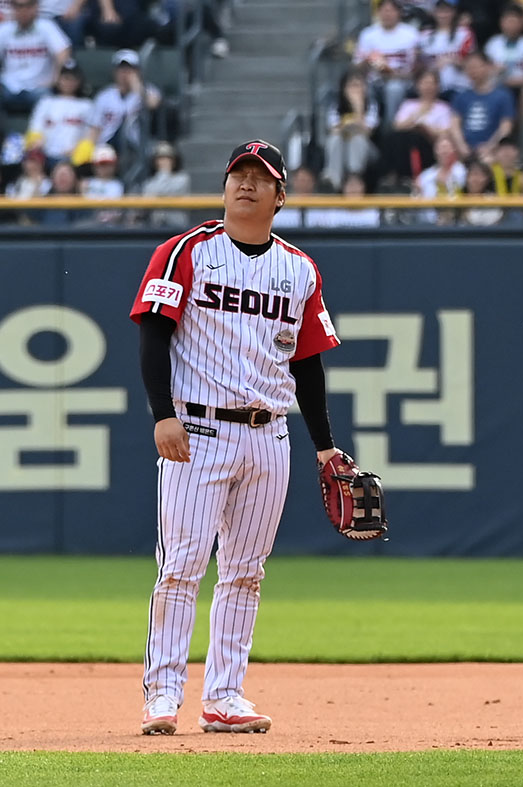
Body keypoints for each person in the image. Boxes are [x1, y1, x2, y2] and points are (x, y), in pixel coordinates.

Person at [132, 139, 343, 737]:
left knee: (246, 571)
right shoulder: (185, 252)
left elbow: (307, 365)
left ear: (281, 195)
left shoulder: (299, 269)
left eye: (261, 176)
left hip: (269, 434)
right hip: (196, 430)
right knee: (181, 567)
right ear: (224, 186)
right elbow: (153, 335)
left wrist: (324, 445)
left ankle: (224, 696)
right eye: (238, 173)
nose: (246, 183)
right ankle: (163, 695)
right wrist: (161, 413)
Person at [380, 68, 455, 181]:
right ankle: (394, 176)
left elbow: (445, 133)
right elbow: (397, 126)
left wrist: (426, 128)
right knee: (396, 137)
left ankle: (408, 176)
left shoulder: (443, 108)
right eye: (425, 83)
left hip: (430, 145)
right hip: (406, 144)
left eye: (431, 83)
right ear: (418, 85)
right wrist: (418, 114)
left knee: (415, 138)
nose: (428, 87)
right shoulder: (408, 104)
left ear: (437, 86)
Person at [355, 0, 422, 123]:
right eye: (384, 11)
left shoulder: (411, 34)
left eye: (391, 11)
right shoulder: (368, 34)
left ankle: (392, 127)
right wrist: (368, 60)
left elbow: (417, 67)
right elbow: (357, 66)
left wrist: (396, 74)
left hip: (402, 80)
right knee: (362, 88)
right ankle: (368, 125)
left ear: (399, 13)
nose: (387, 14)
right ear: (378, 13)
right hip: (374, 78)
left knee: (393, 89)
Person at [0, 0, 71, 114]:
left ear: (36, 7)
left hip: (39, 88)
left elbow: (63, 53)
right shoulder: (5, 29)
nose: (23, 10)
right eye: (19, 7)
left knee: (47, 100)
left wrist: (55, 80)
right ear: (13, 8)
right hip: (9, 86)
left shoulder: (47, 26)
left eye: (28, 6)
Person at [88, 48, 163, 153]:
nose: (125, 73)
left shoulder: (148, 90)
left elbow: (153, 104)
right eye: (122, 69)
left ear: (138, 71)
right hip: (106, 148)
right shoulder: (104, 95)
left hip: (136, 147)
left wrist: (137, 86)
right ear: (115, 71)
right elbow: (95, 128)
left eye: (130, 69)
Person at [24, 57, 90, 168]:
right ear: (58, 79)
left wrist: (77, 151)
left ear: (79, 81)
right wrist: (37, 144)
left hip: (72, 159)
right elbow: (35, 128)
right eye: (66, 78)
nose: (69, 82)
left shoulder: (86, 105)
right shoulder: (45, 102)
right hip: (45, 157)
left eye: (73, 79)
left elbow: (89, 134)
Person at [450, 51, 516, 160]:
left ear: (488, 67)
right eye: (468, 68)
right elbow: (454, 126)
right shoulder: (460, 96)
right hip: (464, 150)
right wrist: (462, 147)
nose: (472, 71)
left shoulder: (503, 96)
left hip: (493, 151)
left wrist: (489, 147)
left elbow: (506, 127)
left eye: (476, 67)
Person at [323, 67, 380, 191]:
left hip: (367, 149)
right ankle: (334, 180)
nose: (355, 90)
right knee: (335, 140)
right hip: (343, 145)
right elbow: (333, 130)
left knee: (358, 138)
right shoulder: (336, 106)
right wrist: (346, 126)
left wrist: (357, 106)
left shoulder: (371, 105)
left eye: (359, 86)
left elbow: (368, 131)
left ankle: (355, 176)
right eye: (352, 86)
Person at [484, 3, 523, 101]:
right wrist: (494, 70)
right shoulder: (493, 43)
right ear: (501, 22)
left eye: (514, 21)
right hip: (496, 87)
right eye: (508, 21)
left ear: (522, 22)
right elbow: (484, 68)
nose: (511, 25)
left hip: (522, 87)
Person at [420, 0, 474, 100]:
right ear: (434, 12)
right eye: (440, 11)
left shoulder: (464, 33)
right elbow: (420, 64)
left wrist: (452, 61)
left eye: (447, 11)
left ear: (454, 12)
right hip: (431, 90)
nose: (443, 15)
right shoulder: (424, 35)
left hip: (459, 87)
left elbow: (471, 63)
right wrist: (434, 66)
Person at [140, 139, 191, 228]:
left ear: (174, 160)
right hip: (155, 226)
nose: (164, 161)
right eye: (160, 158)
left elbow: (167, 191)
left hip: (177, 226)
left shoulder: (182, 178)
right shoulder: (150, 182)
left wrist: (164, 173)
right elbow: (147, 200)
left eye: (168, 158)